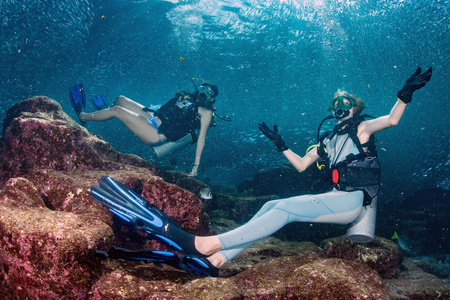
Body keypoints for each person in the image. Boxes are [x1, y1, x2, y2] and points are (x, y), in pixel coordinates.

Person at [91, 67, 432, 277]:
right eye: (336, 104)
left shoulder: (362, 129)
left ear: (356, 108)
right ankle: (220, 260)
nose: (340, 107)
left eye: (346, 103)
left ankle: (203, 244)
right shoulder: (327, 140)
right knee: (270, 207)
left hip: (354, 201)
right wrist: (280, 144)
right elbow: (301, 165)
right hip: (334, 196)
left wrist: (404, 94)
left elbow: (392, 119)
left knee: (282, 210)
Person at [69, 81, 219, 177]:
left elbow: (201, 139)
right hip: (152, 118)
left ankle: (83, 116)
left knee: (117, 111)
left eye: (209, 92)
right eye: (203, 88)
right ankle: (104, 111)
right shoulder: (186, 99)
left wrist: (196, 165)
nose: (204, 91)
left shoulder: (205, 112)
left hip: (156, 134)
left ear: (212, 99)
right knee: (121, 99)